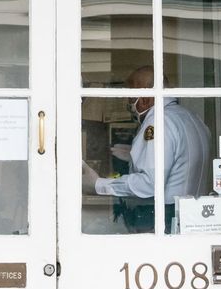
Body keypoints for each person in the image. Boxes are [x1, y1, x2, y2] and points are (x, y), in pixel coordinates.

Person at [83, 66, 211, 232]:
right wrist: (134, 154)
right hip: (193, 216)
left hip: (162, 216)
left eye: (131, 96)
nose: (129, 103)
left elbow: (150, 184)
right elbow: (180, 161)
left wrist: (98, 184)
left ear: (145, 99)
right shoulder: (192, 118)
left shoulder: (158, 122)